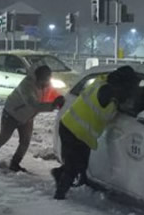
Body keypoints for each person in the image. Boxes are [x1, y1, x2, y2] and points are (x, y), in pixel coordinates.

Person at [52, 66, 138, 200]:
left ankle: (58, 174)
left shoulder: (101, 82)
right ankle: (59, 196)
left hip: (72, 128)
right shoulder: (108, 94)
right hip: (74, 132)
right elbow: (109, 116)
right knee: (73, 167)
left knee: (80, 165)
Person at [0, 64, 65, 172]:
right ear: (38, 77)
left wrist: (60, 99)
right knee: (4, 137)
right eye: (44, 80)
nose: (46, 83)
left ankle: (15, 163)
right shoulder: (27, 85)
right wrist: (53, 105)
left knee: (25, 141)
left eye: (47, 80)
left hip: (27, 117)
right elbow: (33, 104)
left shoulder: (45, 85)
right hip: (11, 114)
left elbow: (53, 94)